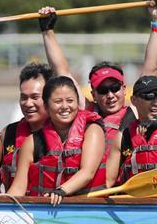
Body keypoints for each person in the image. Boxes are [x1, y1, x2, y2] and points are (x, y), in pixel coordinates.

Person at [38, 0, 157, 144]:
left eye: (115, 87)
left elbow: (150, 69)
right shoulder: (88, 110)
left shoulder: (135, 109)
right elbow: (62, 72)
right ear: (93, 94)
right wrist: (47, 30)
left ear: (125, 88)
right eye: (103, 90)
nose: (110, 95)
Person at [7, 76, 106, 205]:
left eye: (70, 100)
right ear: (46, 106)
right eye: (58, 101)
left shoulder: (92, 130)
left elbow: (87, 172)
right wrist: (0, 201)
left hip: (87, 208)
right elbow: (18, 188)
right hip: (46, 211)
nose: (65, 106)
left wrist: (61, 191)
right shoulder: (32, 141)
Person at [0, 62, 54, 190]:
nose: (28, 103)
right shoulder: (7, 133)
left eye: (35, 97)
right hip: (14, 204)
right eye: (23, 97)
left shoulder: (64, 134)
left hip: (50, 207)